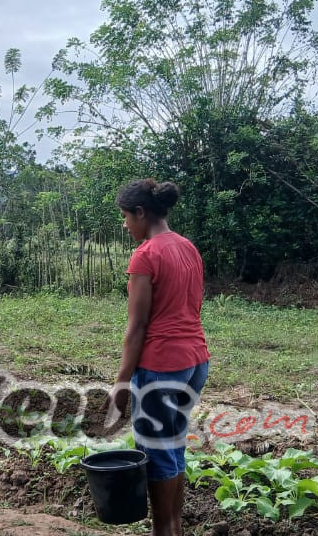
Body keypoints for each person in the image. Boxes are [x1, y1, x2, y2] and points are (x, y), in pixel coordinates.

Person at [105, 179, 211, 536]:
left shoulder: (146, 255)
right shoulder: (188, 247)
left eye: (125, 217)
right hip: (195, 363)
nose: (124, 225)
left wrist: (121, 383)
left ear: (140, 213)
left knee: (157, 451)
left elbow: (136, 330)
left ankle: (163, 530)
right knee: (174, 444)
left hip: (161, 366)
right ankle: (174, 526)